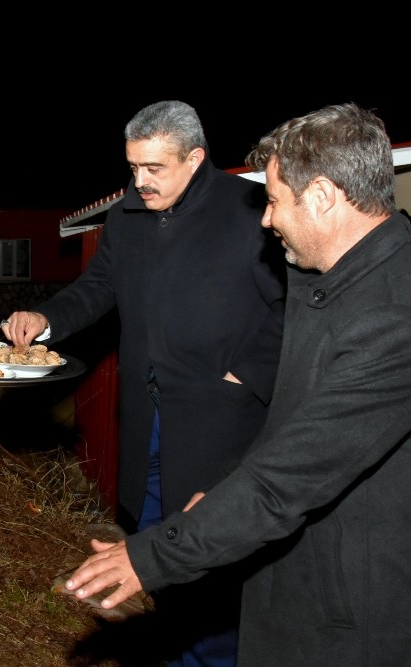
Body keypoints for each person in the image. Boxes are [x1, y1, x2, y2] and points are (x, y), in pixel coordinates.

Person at [64, 102, 411, 666]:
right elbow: (287, 425)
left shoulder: (393, 317)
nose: (267, 219)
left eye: (274, 201)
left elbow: (291, 476)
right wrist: (222, 490)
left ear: (321, 195)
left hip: (352, 611)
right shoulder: (329, 282)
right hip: (304, 581)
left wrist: (151, 557)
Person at [2, 100, 286, 665]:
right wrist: (47, 318)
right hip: (148, 420)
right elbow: (98, 286)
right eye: (133, 167)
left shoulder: (251, 208)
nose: (140, 181)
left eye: (154, 168)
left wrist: (244, 374)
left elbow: (291, 308)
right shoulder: (128, 215)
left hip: (218, 424)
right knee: (159, 558)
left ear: (196, 158)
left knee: (212, 570)